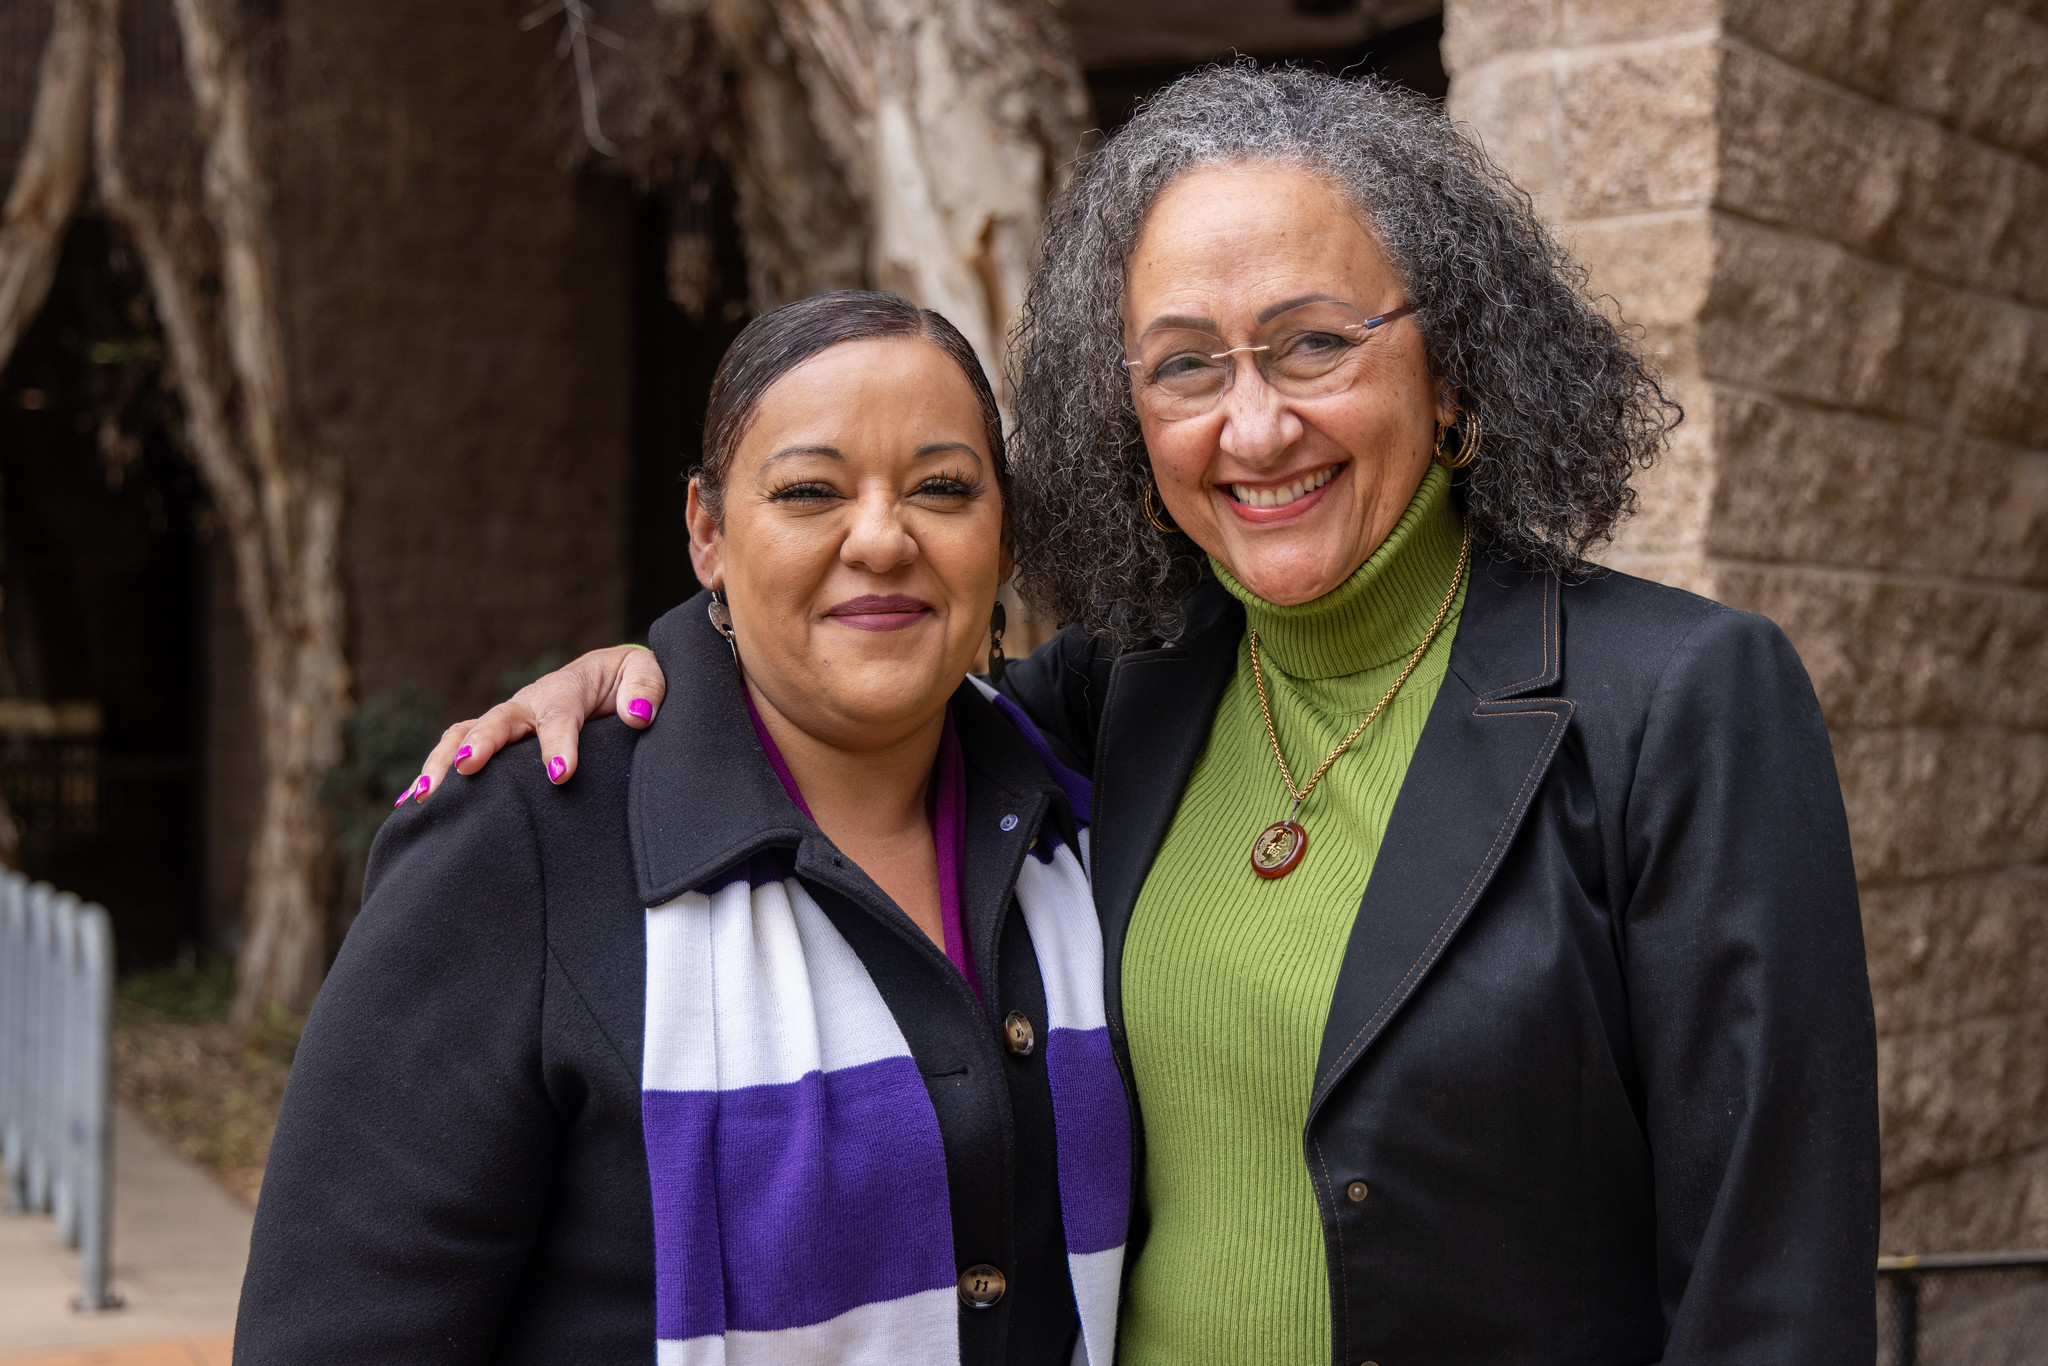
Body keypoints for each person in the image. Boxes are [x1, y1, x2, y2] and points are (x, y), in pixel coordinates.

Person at [416, 68, 1880, 1364]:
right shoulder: (1119, 698)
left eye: (1313, 344)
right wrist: (666, 667)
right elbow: (856, 679)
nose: (1252, 426)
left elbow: (1774, 1274)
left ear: (1457, 370)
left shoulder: (1679, 704)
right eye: (1186, 365)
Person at [236, 292, 1131, 1365]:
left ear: (1003, 528)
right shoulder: (529, 839)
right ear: (707, 531)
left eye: (941, 488)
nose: (882, 537)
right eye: (809, 491)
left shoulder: (1082, 786)